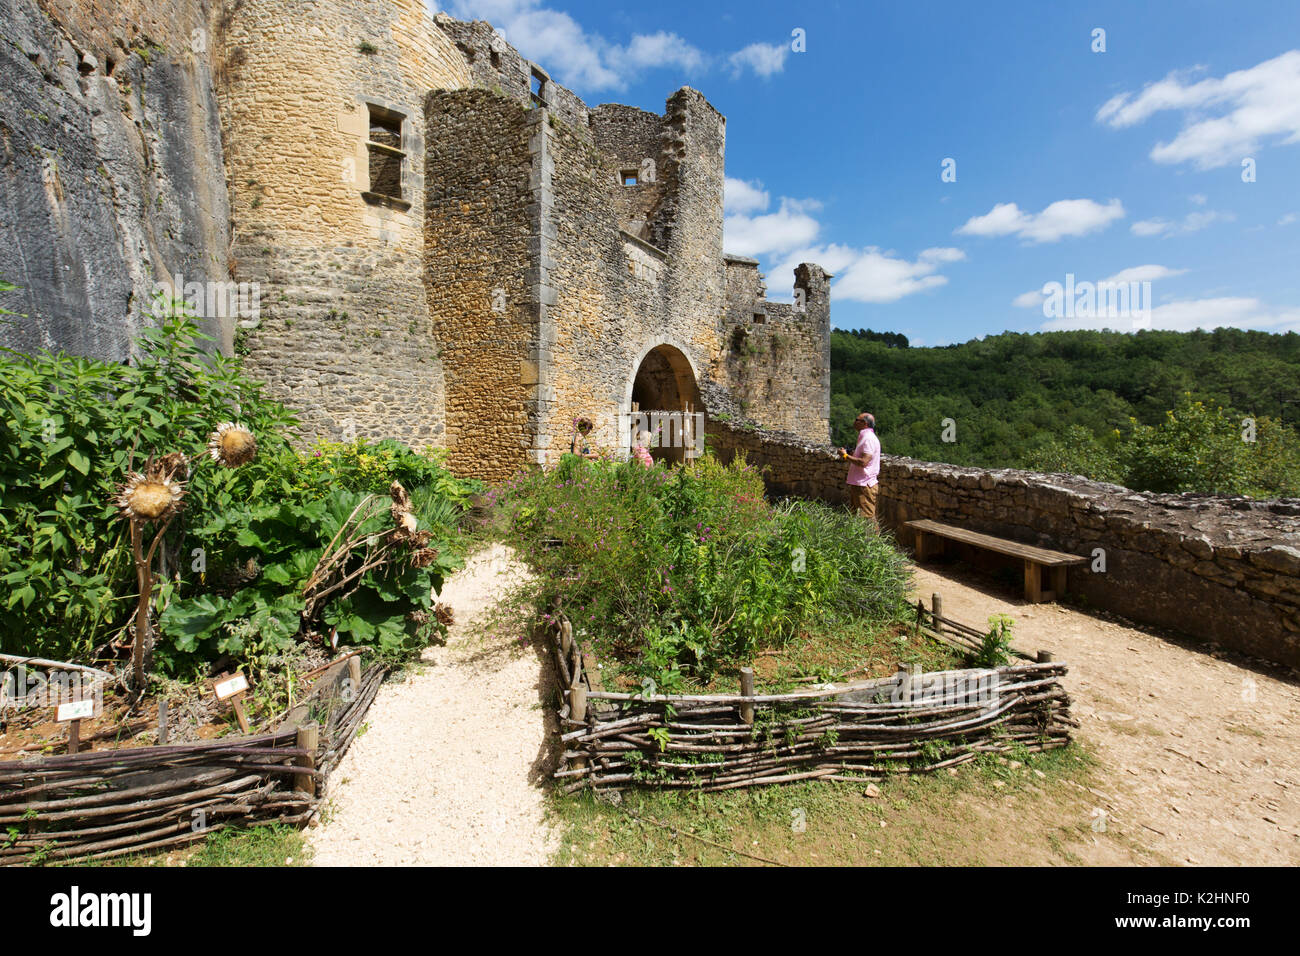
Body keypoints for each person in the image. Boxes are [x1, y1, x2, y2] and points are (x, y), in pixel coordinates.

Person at [841, 412, 881, 522]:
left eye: (856, 419)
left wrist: (845, 456)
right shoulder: (864, 436)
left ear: (864, 423)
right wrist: (851, 453)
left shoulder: (868, 438)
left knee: (867, 519)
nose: (854, 422)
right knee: (856, 518)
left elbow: (864, 462)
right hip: (860, 483)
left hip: (864, 484)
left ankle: (873, 539)